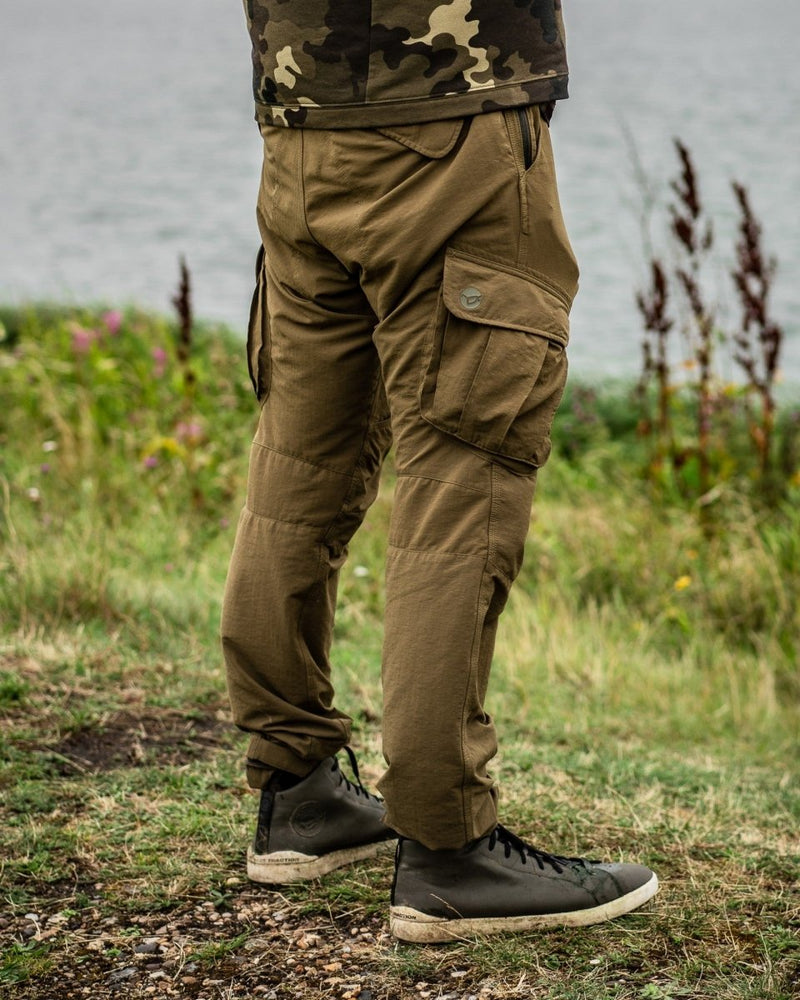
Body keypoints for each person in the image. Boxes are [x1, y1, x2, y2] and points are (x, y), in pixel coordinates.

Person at [221, 0, 658, 943]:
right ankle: (448, 850)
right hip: (451, 120)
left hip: (300, 126)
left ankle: (298, 792)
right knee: (466, 469)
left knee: (299, 460)